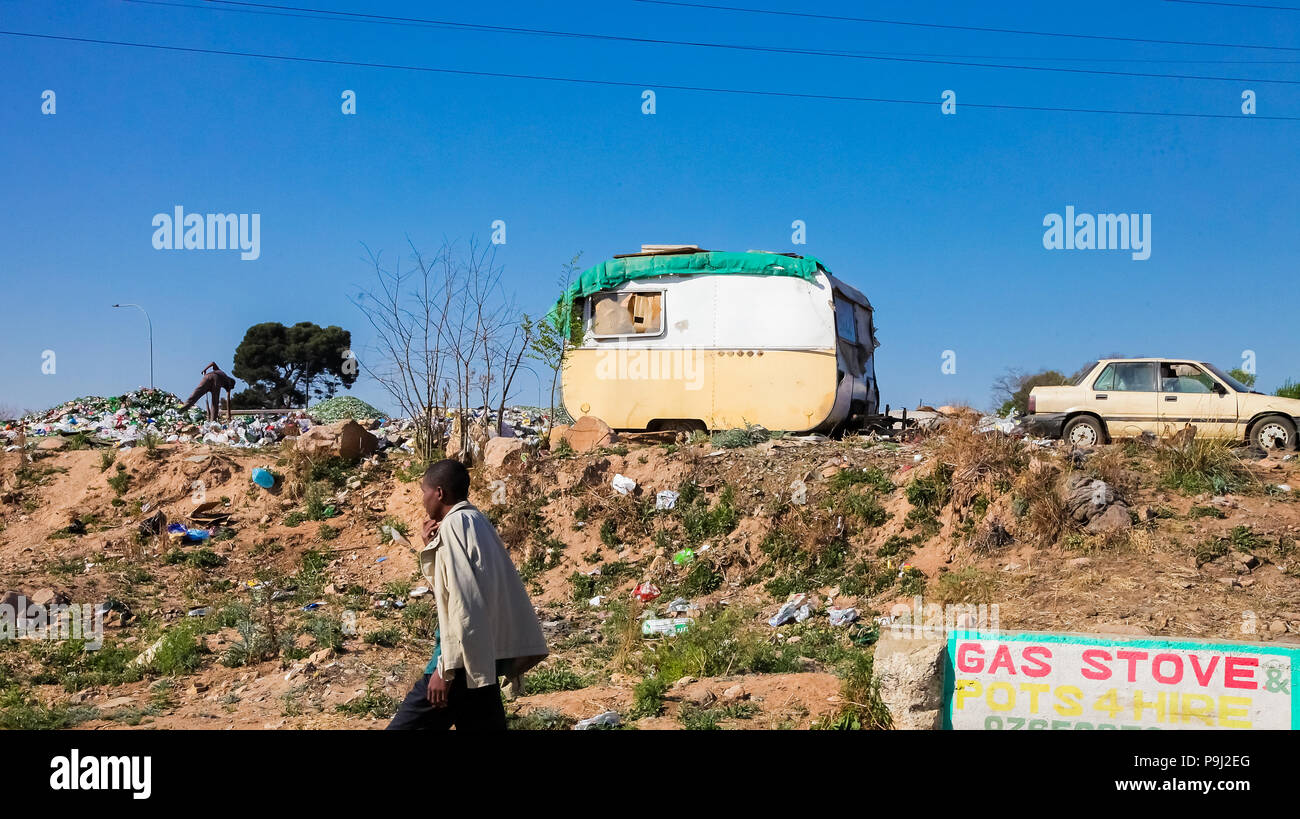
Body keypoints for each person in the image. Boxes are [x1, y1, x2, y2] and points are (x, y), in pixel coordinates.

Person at [386, 459, 548, 730]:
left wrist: (445, 672)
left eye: (423, 491)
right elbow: (462, 588)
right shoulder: (476, 521)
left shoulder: (453, 527)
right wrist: (432, 547)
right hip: (483, 662)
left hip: (459, 665)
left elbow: (463, 604)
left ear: (439, 493)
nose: (422, 500)